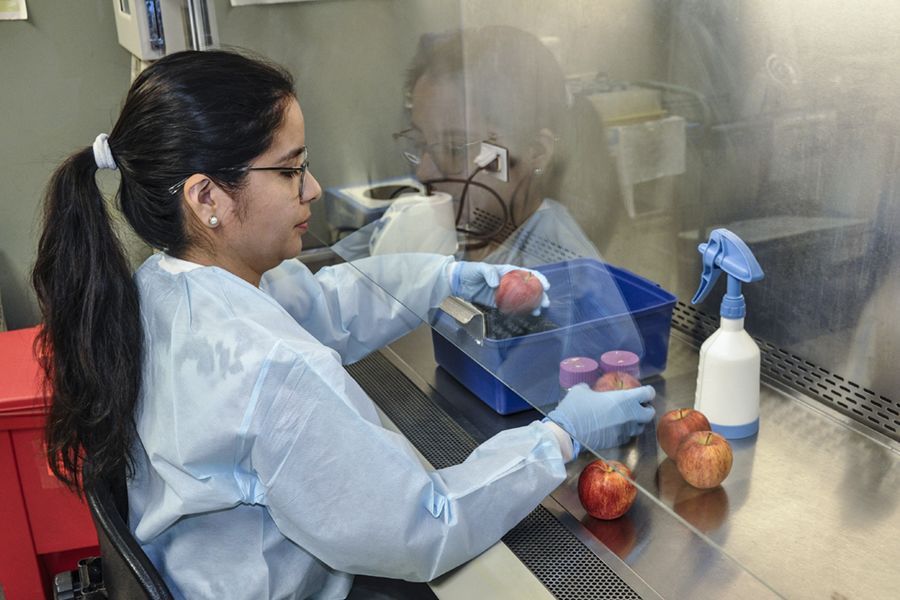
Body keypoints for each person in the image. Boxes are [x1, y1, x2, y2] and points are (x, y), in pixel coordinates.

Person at [31, 49, 655, 599]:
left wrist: (444, 278)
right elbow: (423, 528)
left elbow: (322, 306)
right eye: (289, 170)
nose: (313, 188)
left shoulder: (161, 285)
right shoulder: (272, 369)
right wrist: (558, 438)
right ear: (206, 198)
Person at [388, 25, 624, 266]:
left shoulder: (563, 275)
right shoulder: (460, 228)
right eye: (420, 143)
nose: (423, 173)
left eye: (456, 148)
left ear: (536, 153)